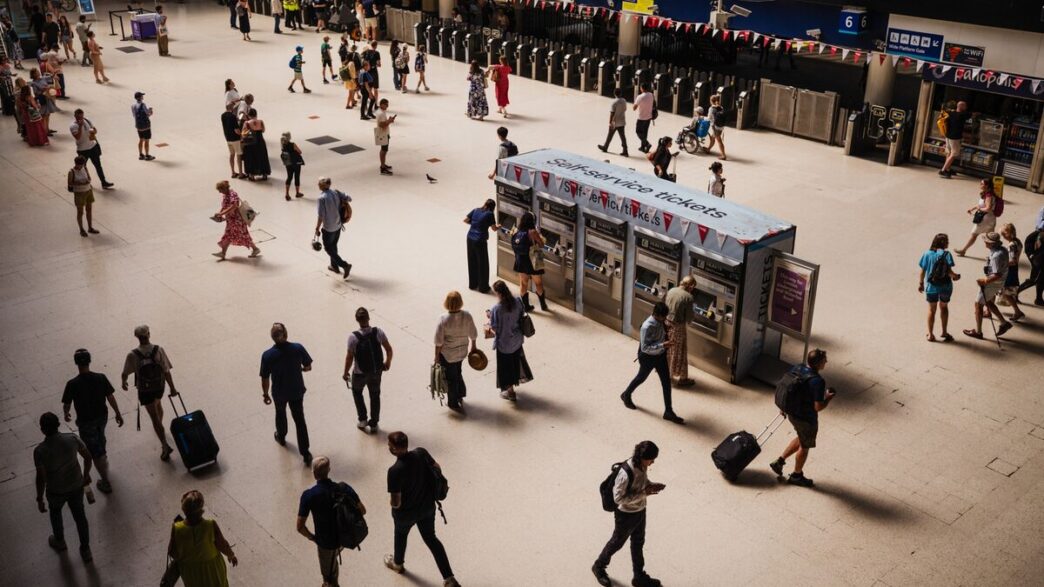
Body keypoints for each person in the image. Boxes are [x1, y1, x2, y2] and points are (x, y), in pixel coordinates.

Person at [384, 432, 460, 587]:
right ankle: (449, 578)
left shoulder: (395, 471)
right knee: (431, 539)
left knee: (400, 536)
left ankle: (398, 564)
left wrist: (392, 504)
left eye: (389, 445)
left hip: (406, 514)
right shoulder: (421, 453)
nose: (388, 447)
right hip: (427, 508)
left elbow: (396, 502)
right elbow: (437, 468)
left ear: (395, 449)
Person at [592, 440, 665, 587]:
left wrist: (649, 485)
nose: (652, 463)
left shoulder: (642, 465)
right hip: (626, 515)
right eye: (651, 459)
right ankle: (598, 567)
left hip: (640, 510)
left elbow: (640, 481)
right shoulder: (625, 473)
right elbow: (618, 498)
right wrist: (644, 493)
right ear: (643, 457)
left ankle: (638, 576)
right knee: (616, 543)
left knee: (638, 543)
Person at [769, 349, 836, 487]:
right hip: (805, 418)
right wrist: (828, 398)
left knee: (801, 437)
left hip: (792, 412)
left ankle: (779, 462)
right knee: (805, 446)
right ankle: (797, 475)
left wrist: (784, 407)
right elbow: (818, 407)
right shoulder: (818, 381)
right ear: (818, 364)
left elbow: (788, 387)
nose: (826, 362)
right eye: (824, 360)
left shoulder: (798, 367)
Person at [34, 412, 94, 563]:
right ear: (59, 425)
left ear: (42, 430)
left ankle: (60, 541)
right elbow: (87, 456)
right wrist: (86, 474)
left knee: (55, 514)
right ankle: (85, 549)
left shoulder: (40, 451)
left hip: (55, 490)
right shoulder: (72, 438)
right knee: (80, 517)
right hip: (76, 485)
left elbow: (41, 477)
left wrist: (40, 498)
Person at [298, 456, 365, 587]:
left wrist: (313, 537)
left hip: (325, 542)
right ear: (329, 470)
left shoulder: (309, 495)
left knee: (329, 577)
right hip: (344, 537)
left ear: (313, 473)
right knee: (333, 559)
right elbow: (362, 510)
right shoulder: (344, 488)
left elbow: (300, 527)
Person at [62, 349, 122, 494]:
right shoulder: (101, 377)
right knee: (100, 437)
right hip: (102, 417)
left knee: (94, 451)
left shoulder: (72, 384)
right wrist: (118, 413)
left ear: (76, 363)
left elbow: (67, 403)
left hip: (85, 422)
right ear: (89, 361)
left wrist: (66, 413)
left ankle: (105, 481)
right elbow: (110, 397)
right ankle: (103, 456)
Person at [121, 325, 178, 461]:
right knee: (158, 406)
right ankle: (160, 426)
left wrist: (124, 382)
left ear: (137, 337)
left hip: (145, 391)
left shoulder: (132, 355)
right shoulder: (158, 350)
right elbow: (166, 371)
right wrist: (172, 388)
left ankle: (164, 445)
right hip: (159, 388)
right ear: (149, 334)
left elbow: (125, 373)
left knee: (154, 417)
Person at [620, 302, 684, 423]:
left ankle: (668, 411)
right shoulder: (647, 326)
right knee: (641, 378)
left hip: (660, 355)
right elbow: (645, 348)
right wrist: (662, 345)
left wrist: (667, 331)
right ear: (657, 315)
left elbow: (661, 330)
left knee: (666, 382)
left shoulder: (660, 322)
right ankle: (626, 394)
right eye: (664, 317)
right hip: (647, 357)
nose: (665, 319)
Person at [261, 322, 313, 465]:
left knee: (280, 413)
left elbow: (265, 378)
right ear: (286, 334)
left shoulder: (267, 356)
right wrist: (302, 369)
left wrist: (265, 394)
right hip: (296, 390)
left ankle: (281, 436)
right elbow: (308, 366)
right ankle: (305, 452)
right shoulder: (297, 348)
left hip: (279, 393)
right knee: (299, 420)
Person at [166, 491, 238, 587]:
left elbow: (172, 551)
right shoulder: (210, 525)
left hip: (190, 572)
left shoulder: (177, 528)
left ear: (184, 509)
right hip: (212, 569)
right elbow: (222, 545)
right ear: (201, 509)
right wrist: (231, 555)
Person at [344, 307, 393, 434]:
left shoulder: (353, 337)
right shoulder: (378, 332)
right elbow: (389, 349)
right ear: (368, 318)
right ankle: (374, 423)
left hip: (360, 373)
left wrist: (345, 372)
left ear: (357, 320)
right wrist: (387, 362)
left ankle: (363, 419)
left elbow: (349, 357)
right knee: (375, 395)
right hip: (376, 371)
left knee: (357, 393)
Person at [487, 280, 533, 402]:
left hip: (504, 344)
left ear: (498, 293)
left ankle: (510, 392)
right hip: (517, 341)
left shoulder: (496, 309)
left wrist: (490, 317)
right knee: (514, 363)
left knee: (505, 368)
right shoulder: (518, 301)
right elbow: (520, 315)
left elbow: (495, 329)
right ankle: (514, 383)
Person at [963, 232, 1014, 340]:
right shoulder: (1002, 249)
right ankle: (1004, 323)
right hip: (999, 282)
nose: (984, 242)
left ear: (990, 243)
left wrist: (985, 280)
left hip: (992, 283)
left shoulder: (996, 256)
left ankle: (978, 332)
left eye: (986, 241)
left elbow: (997, 275)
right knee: (988, 302)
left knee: (978, 304)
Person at [434, 291, 478, 413]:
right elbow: (473, 334)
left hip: (448, 354)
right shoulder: (467, 316)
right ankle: (461, 393)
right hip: (462, 352)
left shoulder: (443, 319)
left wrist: (436, 356)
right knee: (458, 371)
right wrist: (473, 347)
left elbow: (438, 342)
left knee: (451, 377)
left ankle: (453, 402)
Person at [917, 233, 961, 342]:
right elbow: (949, 272)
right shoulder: (947, 255)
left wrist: (921, 283)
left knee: (932, 310)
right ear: (943, 243)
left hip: (931, 287)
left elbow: (922, 271)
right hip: (946, 287)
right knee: (944, 307)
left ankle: (930, 335)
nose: (948, 243)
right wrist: (956, 277)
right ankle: (944, 332)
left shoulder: (927, 254)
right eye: (947, 241)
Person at [212, 180, 261, 260]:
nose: (219, 192)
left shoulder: (232, 194)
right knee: (229, 235)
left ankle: (255, 249)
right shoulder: (225, 195)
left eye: (220, 190)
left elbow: (234, 206)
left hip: (237, 220)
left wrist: (221, 213)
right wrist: (220, 213)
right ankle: (223, 253)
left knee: (241, 235)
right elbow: (225, 206)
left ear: (224, 188)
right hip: (231, 220)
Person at [314, 176, 353, 279]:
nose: (318, 185)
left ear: (322, 185)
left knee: (328, 248)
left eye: (319, 183)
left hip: (328, 228)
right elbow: (349, 198)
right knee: (333, 245)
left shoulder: (321, 198)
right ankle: (334, 266)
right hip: (338, 225)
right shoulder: (335, 192)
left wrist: (317, 228)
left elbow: (321, 216)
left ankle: (344, 265)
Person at [510, 211, 548, 311]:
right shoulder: (532, 232)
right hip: (532, 261)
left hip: (520, 260)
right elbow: (541, 245)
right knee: (538, 283)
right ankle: (543, 305)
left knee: (523, 283)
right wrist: (540, 236)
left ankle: (526, 306)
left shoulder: (516, 230)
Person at [70, 109, 114, 189]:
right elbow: (77, 137)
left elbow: (93, 129)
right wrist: (80, 126)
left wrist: (94, 131)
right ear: (75, 116)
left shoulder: (87, 120)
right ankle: (86, 181)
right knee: (83, 167)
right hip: (82, 150)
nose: (81, 118)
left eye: (82, 116)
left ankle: (103, 182)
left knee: (98, 166)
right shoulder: (73, 126)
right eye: (78, 117)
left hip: (92, 147)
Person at [664, 276, 696, 386]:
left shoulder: (671, 290)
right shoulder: (688, 297)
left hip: (666, 323)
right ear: (691, 286)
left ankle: (666, 374)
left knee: (668, 349)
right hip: (678, 327)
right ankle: (683, 379)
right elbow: (689, 318)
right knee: (680, 352)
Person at [955, 179, 998, 257]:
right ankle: (995, 254)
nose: (980, 185)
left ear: (987, 185)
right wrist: (973, 208)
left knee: (975, 235)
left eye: (982, 184)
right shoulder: (987, 194)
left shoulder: (988, 196)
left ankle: (963, 250)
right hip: (989, 219)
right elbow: (982, 205)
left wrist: (979, 209)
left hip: (985, 219)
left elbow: (988, 208)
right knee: (990, 238)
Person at [464, 198, 498, 292]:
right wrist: (498, 226)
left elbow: (466, 220)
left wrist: (475, 224)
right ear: (493, 207)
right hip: (480, 241)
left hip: (470, 238)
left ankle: (473, 284)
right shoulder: (490, 214)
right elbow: (494, 228)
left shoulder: (476, 210)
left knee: (472, 261)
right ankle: (483, 287)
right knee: (483, 264)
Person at [999, 223, 1026, 322]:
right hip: (1014, 270)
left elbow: (1013, 261)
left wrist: (1001, 263)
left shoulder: (1011, 245)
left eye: (1005, 233)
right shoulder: (1018, 241)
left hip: (1010, 270)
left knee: (1007, 293)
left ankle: (1017, 311)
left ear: (1010, 233)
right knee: (1008, 291)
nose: (1003, 236)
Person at [67, 156, 99, 237]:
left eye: (82, 164)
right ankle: (81, 229)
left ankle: (90, 227)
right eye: (79, 165)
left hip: (88, 191)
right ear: (76, 164)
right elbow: (70, 183)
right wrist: (80, 183)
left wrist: (88, 180)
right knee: (80, 212)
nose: (81, 166)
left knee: (89, 210)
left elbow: (89, 177)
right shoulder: (71, 172)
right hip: (79, 193)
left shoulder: (85, 168)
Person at [939, 101, 972, 178]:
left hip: (948, 136)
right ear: (961, 107)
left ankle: (947, 169)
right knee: (953, 154)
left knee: (949, 153)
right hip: (955, 138)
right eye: (965, 106)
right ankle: (943, 170)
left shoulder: (951, 113)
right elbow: (971, 114)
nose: (966, 107)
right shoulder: (962, 115)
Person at [240, 108, 271, 181]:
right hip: (260, 141)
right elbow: (263, 130)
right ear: (256, 114)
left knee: (251, 157)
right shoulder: (261, 121)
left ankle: (251, 175)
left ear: (249, 115)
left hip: (251, 142)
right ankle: (264, 174)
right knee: (262, 156)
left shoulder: (247, 123)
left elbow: (243, 133)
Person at [1020, 214, 1044, 306]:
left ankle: (1039, 299)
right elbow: (1036, 247)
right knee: (1035, 278)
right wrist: (1032, 257)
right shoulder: (1041, 234)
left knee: (1040, 278)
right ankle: (1015, 294)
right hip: (1036, 255)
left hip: (1038, 254)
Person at [597, 88, 629, 156]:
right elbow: (625, 109)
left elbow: (612, 113)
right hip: (622, 121)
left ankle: (605, 147)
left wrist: (610, 122)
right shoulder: (624, 100)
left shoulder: (614, 102)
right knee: (623, 137)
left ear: (614, 94)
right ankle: (625, 150)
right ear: (621, 93)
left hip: (614, 122)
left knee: (610, 135)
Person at [221, 103, 245, 179]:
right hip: (235, 139)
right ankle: (241, 173)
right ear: (232, 108)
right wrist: (241, 135)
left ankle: (233, 172)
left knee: (231, 155)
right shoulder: (233, 116)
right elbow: (236, 130)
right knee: (238, 155)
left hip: (228, 138)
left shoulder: (223, 115)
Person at [280, 132, 305, 200]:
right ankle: (297, 193)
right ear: (289, 137)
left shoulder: (282, 145)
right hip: (296, 163)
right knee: (297, 177)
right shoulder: (293, 144)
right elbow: (300, 152)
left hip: (288, 163)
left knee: (289, 177)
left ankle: (287, 194)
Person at [131, 91, 155, 161]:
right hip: (146, 126)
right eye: (142, 95)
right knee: (147, 141)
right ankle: (147, 155)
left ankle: (141, 155)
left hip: (138, 126)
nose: (142, 96)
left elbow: (134, 115)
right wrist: (151, 111)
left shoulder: (133, 106)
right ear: (140, 97)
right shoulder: (143, 104)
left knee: (141, 140)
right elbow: (148, 114)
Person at [375, 98, 396, 176]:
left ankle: (383, 164)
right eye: (386, 104)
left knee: (384, 150)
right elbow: (381, 124)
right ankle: (382, 168)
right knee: (383, 150)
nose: (387, 106)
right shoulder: (380, 113)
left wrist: (389, 120)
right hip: (382, 133)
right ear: (381, 104)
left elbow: (383, 123)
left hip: (384, 132)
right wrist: (389, 121)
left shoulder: (380, 111)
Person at [633, 83, 654, 153]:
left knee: (638, 131)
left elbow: (634, 108)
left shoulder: (640, 97)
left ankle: (647, 144)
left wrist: (635, 103)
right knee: (645, 133)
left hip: (641, 118)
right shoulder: (651, 95)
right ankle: (643, 147)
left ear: (642, 88)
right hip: (649, 117)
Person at [705, 94, 727, 160]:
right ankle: (708, 149)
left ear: (711, 101)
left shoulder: (711, 108)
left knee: (719, 140)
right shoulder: (721, 107)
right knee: (712, 138)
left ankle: (723, 155)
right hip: (721, 126)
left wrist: (703, 118)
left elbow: (709, 118)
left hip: (715, 127)